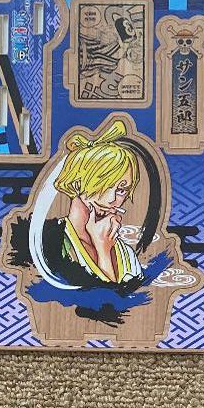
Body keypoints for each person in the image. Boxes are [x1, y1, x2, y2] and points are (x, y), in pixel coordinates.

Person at [43, 120, 142, 286]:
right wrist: (102, 248)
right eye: (103, 186)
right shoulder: (51, 243)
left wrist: (103, 248)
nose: (112, 200)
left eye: (121, 190)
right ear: (76, 183)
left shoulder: (125, 253)